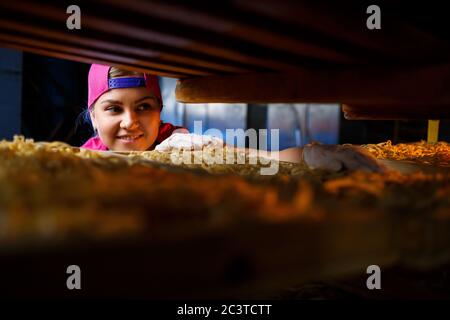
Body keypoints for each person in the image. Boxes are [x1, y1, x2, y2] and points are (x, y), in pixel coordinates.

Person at [81, 64, 385, 173]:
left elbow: (251, 157)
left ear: (160, 111)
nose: (130, 121)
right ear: (92, 116)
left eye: (144, 107)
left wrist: (307, 154)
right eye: (113, 109)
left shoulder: (175, 143)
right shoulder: (82, 161)